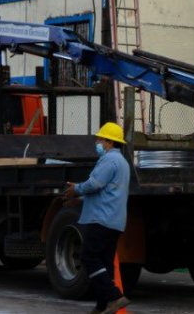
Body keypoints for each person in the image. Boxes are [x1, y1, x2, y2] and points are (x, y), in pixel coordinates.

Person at [64, 122, 131, 314]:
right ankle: (102, 306)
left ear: (109, 142)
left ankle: (114, 297)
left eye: (100, 139)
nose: (97, 142)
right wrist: (80, 200)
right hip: (114, 220)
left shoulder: (109, 160)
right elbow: (108, 192)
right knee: (105, 262)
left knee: (89, 256)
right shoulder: (122, 162)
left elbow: (95, 184)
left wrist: (76, 190)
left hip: (101, 218)